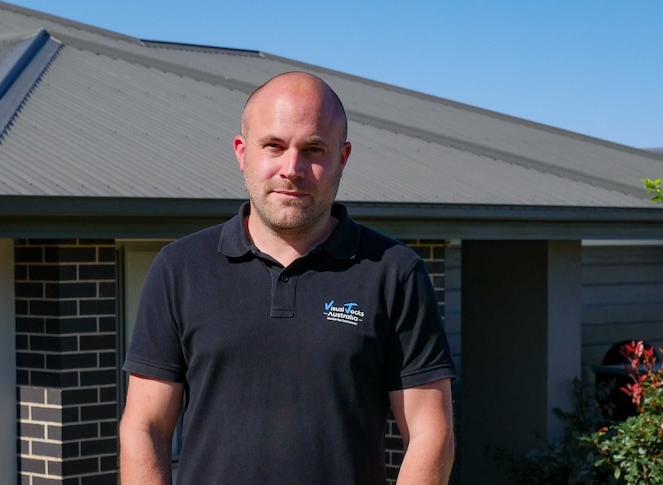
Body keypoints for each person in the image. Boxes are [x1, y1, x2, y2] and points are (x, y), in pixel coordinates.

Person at [119, 71, 456, 485]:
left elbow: (430, 431)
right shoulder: (180, 269)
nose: (292, 169)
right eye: (273, 146)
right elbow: (144, 428)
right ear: (242, 152)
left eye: (314, 149)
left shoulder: (394, 272)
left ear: (342, 158)